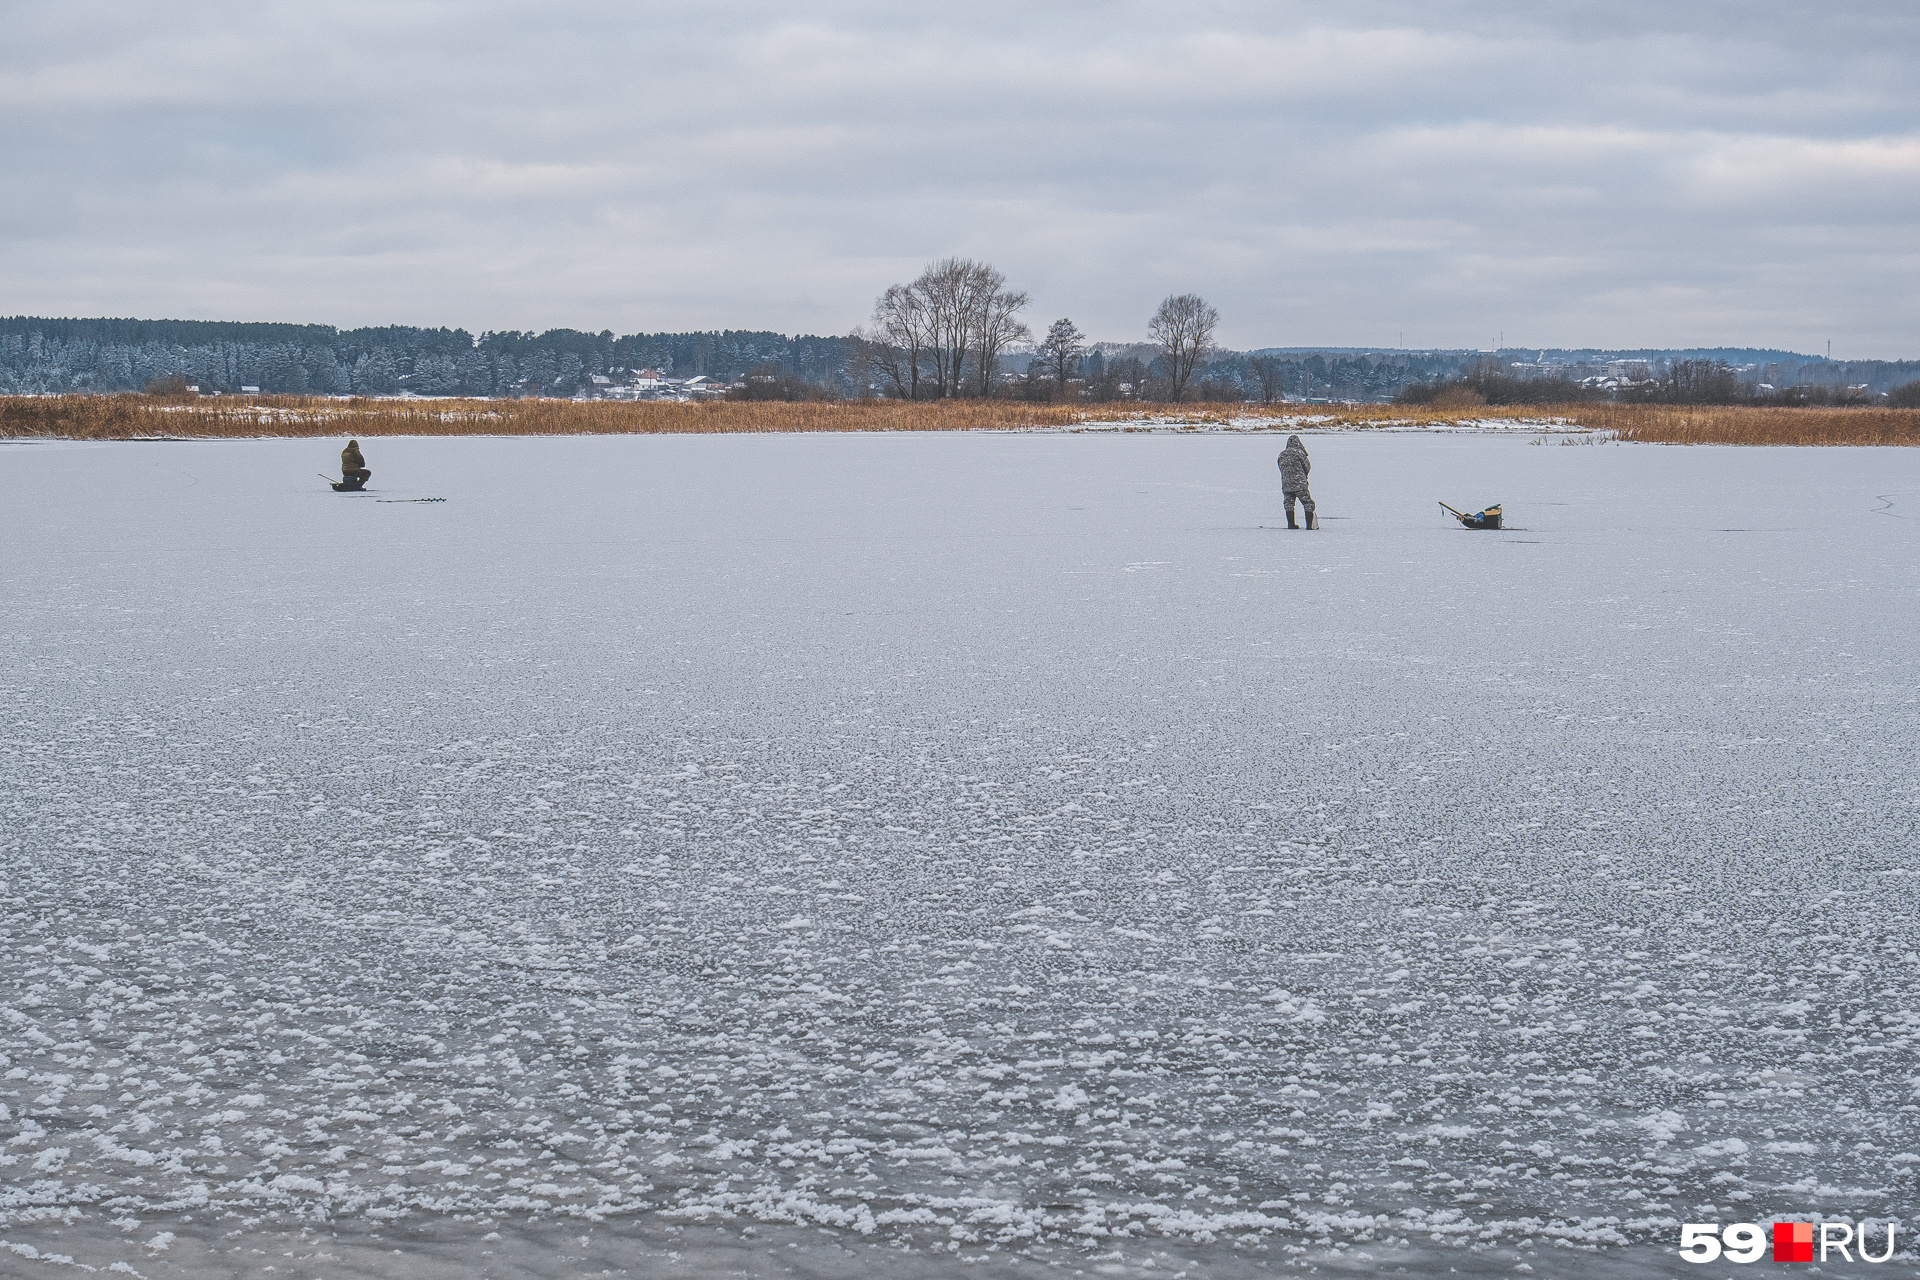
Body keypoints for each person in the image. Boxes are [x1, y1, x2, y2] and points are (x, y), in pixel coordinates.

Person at [1277, 434, 1315, 529]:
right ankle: (1309, 526)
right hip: (1299, 483)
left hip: (1286, 484)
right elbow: (1307, 467)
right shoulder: (1299, 453)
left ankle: (1291, 524)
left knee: (1289, 503)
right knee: (1307, 502)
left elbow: (1280, 467)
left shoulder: (1282, 454)